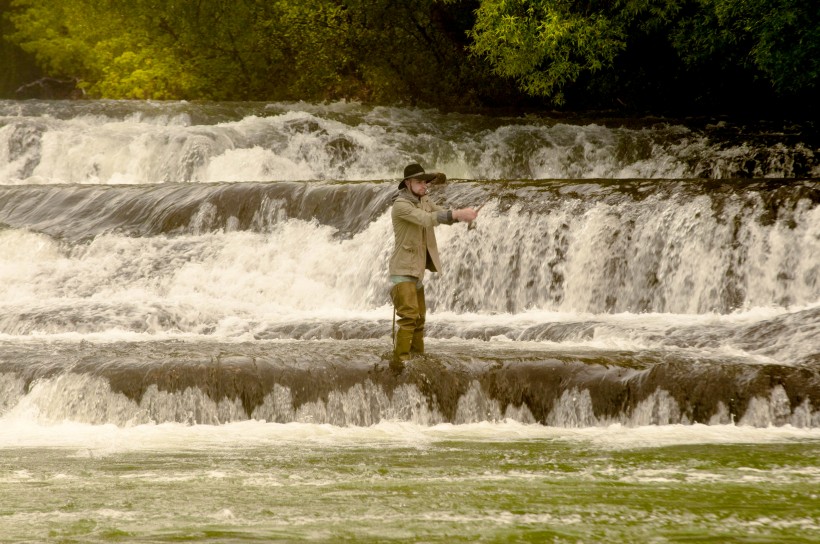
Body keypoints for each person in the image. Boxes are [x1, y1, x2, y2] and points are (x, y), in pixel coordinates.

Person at [388, 163, 478, 371]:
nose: (424, 185)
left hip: (416, 271)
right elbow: (427, 219)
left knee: (419, 319)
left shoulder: (424, 200)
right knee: (409, 317)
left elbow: (441, 213)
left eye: (425, 182)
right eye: (419, 182)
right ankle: (400, 362)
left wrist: (461, 216)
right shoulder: (401, 205)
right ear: (408, 183)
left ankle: (417, 360)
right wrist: (456, 214)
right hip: (402, 271)